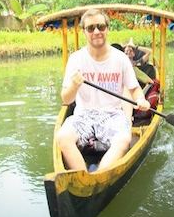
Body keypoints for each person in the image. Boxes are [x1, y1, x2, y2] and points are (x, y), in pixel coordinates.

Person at [56, 9, 151, 172]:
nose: (96, 32)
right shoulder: (76, 59)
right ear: (84, 31)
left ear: (107, 28)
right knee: (63, 137)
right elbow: (66, 99)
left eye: (101, 27)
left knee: (123, 139)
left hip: (113, 115)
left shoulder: (120, 59)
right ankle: (84, 178)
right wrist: (74, 86)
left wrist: (141, 100)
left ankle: (99, 177)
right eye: (91, 28)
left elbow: (134, 89)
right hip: (83, 115)